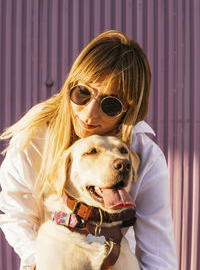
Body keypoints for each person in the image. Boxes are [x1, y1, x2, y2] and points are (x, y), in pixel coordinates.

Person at [0, 30, 177, 270]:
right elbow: (16, 214)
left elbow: (158, 255)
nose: (88, 115)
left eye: (110, 104)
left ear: (129, 110)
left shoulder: (144, 156)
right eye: (82, 93)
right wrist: (39, 260)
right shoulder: (34, 139)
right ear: (70, 86)